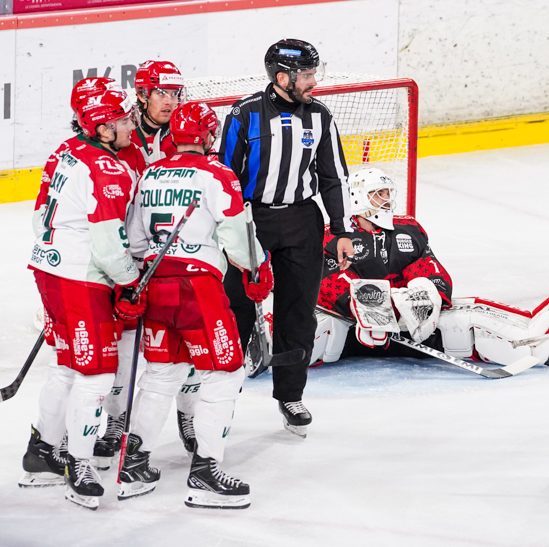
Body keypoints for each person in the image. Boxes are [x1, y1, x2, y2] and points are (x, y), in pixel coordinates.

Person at [120, 101, 271, 509]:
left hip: (155, 285)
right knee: (223, 374)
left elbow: (134, 241)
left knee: (160, 376)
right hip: (197, 288)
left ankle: (132, 464)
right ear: (206, 136)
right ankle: (206, 471)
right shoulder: (216, 173)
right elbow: (239, 240)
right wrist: (258, 270)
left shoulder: (150, 173)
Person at [218, 39, 354, 437]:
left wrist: (342, 230)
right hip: (250, 222)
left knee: (298, 312)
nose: (314, 82)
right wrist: (230, 231)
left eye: (314, 73)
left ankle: (290, 394)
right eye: (307, 75)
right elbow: (225, 178)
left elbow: (334, 176)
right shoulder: (245, 114)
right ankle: (220, 395)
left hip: (302, 222)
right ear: (283, 77)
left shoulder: (321, 116)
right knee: (236, 309)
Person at [21, 87, 146, 510]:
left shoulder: (67, 149)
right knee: (95, 375)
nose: (132, 126)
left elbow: (40, 216)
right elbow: (111, 249)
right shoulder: (107, 170)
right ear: (104, 127)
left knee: (68, 367)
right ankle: (81, 463)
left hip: (49, 267)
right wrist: (132, 281)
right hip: (80, 280)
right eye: (125, 121)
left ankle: (42, 452)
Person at [313, 168, 549, 368]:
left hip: (410, 325)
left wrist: (427, 294)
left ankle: (541, 345)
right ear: (358, 198)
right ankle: (271, 349)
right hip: (354, 328)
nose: (386, 200)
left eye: (387, 193)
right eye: (377, 194)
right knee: (321, 327)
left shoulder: (408, 229)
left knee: (464, 318)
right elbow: (330, 284)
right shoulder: (333, 236)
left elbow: (430, 267)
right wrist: (386, 305)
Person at [93, 60, 198, 469]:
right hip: (130, 260)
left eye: (176, 94)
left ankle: (188, 416)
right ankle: (117, 421)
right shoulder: (120, 139)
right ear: (142, 94)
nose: (170, 102)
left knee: (187, 341)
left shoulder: (188, 135)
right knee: (124, 348)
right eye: (162, 94)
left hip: (177, 258)